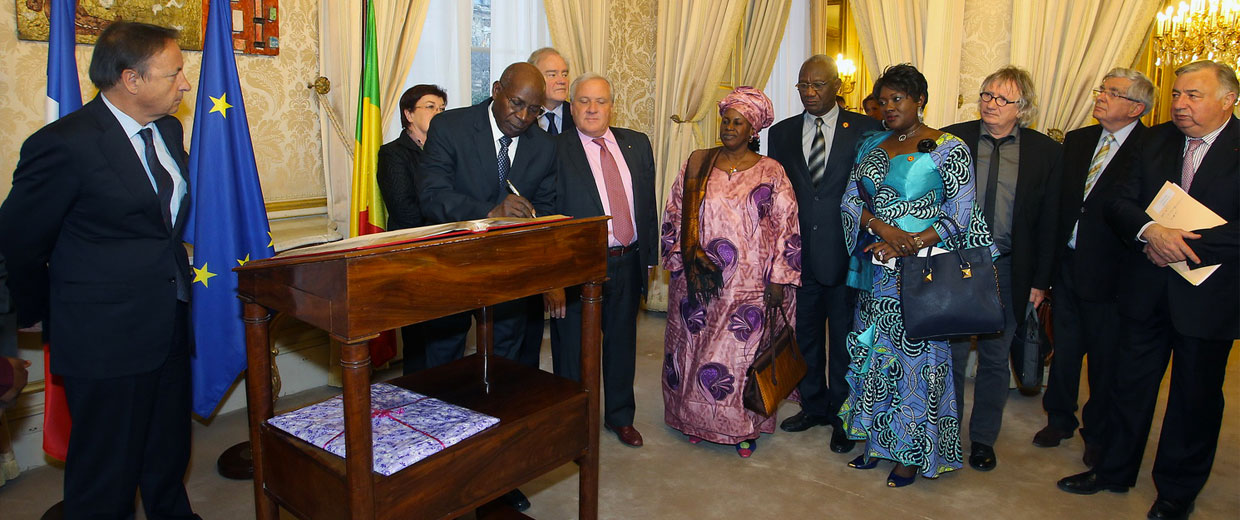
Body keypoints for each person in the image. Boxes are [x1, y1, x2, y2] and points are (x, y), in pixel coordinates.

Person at [0, 21, 199, 518]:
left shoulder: (169, 130)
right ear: (132, 80)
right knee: (106, 470)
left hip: (168, 317)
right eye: (175, 73)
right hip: (104, 334)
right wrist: (38, 311)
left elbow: (161, 224)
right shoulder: (65, 144)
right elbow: (19, 240)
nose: (186, 83)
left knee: (167, 449)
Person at [1058, 60, 1239, 520]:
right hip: (1144, 288)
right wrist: (1149, 231)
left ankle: (1176, 490)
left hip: (1208, 296)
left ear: (1228, 100)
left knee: (1193, 398)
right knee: (1126, 386)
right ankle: (1112, 470)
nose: (1180, 104)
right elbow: (1118, 201)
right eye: (1176, 94)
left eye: (1193, 96)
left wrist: (1177, 243)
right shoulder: (1155, 140)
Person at [838, 63, 993, 487]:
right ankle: (875, 443)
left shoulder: (948, 147)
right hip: (877, 276)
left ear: (919, 99)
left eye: (897, 99)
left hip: (923, 276)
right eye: (883, 101)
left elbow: (961, 213)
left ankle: (910, 453)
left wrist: (910, 242)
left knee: (915, 364)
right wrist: (882, 230)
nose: (888, 108)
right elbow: (852, 201)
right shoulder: (874, 145)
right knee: (874, 358)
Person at [414, 62, 556, 512]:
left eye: (534, 110)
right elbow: (432, 195)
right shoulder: (451, 127)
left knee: (507, 371)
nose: (523, 117)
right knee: (445, 367)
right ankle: (437, 469)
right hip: (451, 267)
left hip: (509, 275)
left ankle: (497, 472)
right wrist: (489, 212)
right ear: (496, 90)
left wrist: (534, 216)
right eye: (517, 104)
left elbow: (550, 204)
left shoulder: (543, 144)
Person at [661, 87, 800, 458]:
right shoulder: (697, 162)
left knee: (738, 361)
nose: (729, 128)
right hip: (698, 280)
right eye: (726, 120)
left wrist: (778, 278)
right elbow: (675, 211)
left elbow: (786, 225)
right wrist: (681, 258)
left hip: (748, 287)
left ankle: (742, 428)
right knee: (693, 351)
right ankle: (692, 420)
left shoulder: (772, 171)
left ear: (753, 128)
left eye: (738, 122)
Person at [942, 66, 1061, 472]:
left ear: (1022, 108)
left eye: (1002, 99)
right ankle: (945, 434)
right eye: (986, 95)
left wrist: (1041, 281)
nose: (990, 104)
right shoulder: (950, 138)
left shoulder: (1045, 153)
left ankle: (982, 440)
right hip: (955, 266)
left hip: (1010, 271)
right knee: (952, 356)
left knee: (994, 358)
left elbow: (1050, 224)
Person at [1035, 68, 1152, 467]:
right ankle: (1059, 418)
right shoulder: (1079, 139)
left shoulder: (1150, 147)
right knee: (1065, 348)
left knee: (1105, 358)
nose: (1099, 96)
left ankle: (1097, 431)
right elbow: (1062, 203)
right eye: (1101, 89)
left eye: (1112, 92)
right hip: (1068, 262)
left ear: (1135, 107)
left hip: (1114, 271)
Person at [766, 54, 880, 454]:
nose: (810, 93)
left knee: (847, 339)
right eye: (803, 86)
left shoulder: (866, 130)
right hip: (800, 256)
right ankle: (813, 405)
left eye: (817, 85)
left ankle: (842, 414)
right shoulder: (780, 134)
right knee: (807, 335)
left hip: (847, 255)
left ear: (837, 87)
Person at [546, 73, 658, 448]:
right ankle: (573, 422)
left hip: (627, 262)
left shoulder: (637, 144)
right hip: (580, 267)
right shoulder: (553, 149)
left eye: (601, 101)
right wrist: (553, 279)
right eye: (584, 101)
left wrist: (650, 262)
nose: (593, 109)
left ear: (612, 105)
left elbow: (647, 206)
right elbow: (547, 218)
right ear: (571, 106)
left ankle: (620, 417)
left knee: (622, 344)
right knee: (572, 350)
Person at [376, 84, 446, 375]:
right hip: (413, 253)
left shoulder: (445, 150)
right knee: (419, 337)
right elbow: (403, 210)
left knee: (445, 332)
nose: (438, 113)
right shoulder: (394, 154)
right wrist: (445, 220)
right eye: (430, 107)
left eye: (442, 108)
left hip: (446, 251)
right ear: (408, 113)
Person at [520, 47, 575, 369]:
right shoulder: (519, 118)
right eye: (552, 73)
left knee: (568, 322)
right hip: (529, 228)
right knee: (524, 324)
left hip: (567, 226)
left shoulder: (579, 116)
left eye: (565, 72)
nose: (561, 80)